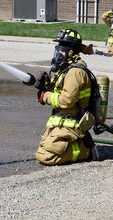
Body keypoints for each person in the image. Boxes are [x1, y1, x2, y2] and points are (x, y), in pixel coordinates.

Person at [34, 29, 98, 165]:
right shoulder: (66, 70)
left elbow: (66, 101)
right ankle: (79, 143)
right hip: (61, 120)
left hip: (72, 123)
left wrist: (45, 95)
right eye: (58, 49)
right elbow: (59, 90)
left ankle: (85, 150)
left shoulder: (75, 72)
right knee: (44, 147)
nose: (58, 54)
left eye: (62, 50)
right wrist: (45, 85)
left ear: (71, 52)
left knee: (46, 156)